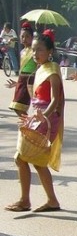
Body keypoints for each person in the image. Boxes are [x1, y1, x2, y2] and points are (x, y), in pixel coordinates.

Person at [4, 30, 64, 213]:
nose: (36, 54)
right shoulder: (41, 68)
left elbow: (55, 99)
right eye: (34, 50)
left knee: (21, 158)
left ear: (49, 51)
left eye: (39, 50)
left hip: (46, 119)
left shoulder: (52, 70)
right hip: (37, 117)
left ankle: (25, 200)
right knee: (35, 162)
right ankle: (49, 201)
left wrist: (43, 116)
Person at [6, 21, 36, 115]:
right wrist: (17, 83)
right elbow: (23, 69)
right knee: (17, 107)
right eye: (22, 36)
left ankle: (28, 127)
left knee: (19, 107)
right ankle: (26, 126)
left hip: (30, 80)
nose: (24, 39)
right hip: (22, 81)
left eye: (27, 36)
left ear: (32, 38)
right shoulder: (22, 51)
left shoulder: (34, 51)